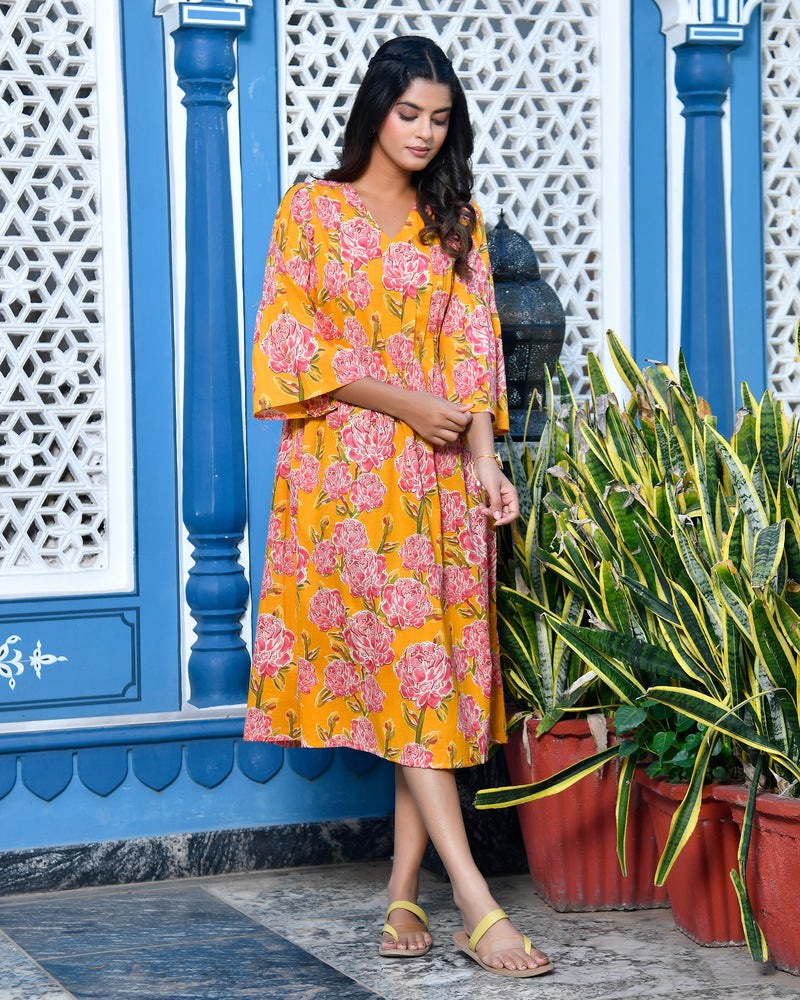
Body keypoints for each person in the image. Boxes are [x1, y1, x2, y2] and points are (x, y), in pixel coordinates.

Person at [243, 35, 553, 979]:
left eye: (440, 119)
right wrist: (405, 403)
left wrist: (487, 465)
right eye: (410, 113)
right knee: (413, 678)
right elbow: (289, 343)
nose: (424, 132)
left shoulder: (455, 220)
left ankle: (402, 890)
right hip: (345, 483)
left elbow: (474, 353)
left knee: (430, 684)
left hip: (440, 481)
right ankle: (477, 902)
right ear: (376, 109)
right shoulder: (312, 208)